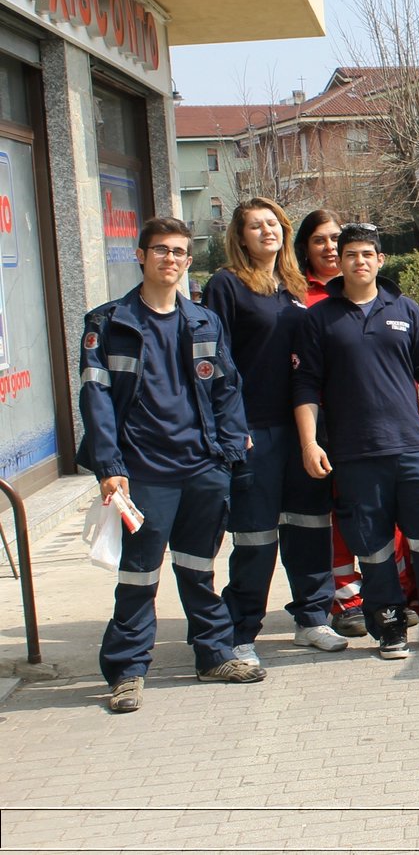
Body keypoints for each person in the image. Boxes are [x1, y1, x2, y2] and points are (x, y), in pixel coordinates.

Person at [80, 216, 265, 713]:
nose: (171, 259)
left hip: (203, 467)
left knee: (199, 569)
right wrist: (108, 466)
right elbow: (95, 400)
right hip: (143, 471)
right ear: (140, 256)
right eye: (160, 250)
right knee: (139, 576)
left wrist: (227, 455)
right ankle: (126, 671)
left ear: (188, 260)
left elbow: (227, 389)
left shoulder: (205, 320)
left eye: (180, 251)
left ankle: (213, 656)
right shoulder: (107, 324)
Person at [291, 223, 419, 659]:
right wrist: (310, 443)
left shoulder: (405, 310)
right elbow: (306, 385)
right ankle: (388, 626)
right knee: (373, 546)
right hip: (355, 454)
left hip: (412, 448)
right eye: (350, 254)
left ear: (380, 260)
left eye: (367, 253)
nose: (359, 261)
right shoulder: (320, 318)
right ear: (340, 261)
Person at [204, 198, 343, 664]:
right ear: (240, 237)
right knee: (256, 536)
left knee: (309, 526)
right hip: (252, 430)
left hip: (304, 427)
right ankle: (241, 631)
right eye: (255, 226)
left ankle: (313, 619)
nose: (267, 231)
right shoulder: (227, 285)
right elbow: (213, 361)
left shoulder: (296, 285)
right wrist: (229, 425)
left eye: (273, 223)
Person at [293, 209, 367, 639]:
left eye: (334, 238)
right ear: (305, 246)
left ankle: (381, 592)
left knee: (366, 510)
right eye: (319, 239)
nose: (328, 247)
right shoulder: (296, 293)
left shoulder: (365, 289)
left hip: (363, 422)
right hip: (315, 424)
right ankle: (344, 597)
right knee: (330, 515)